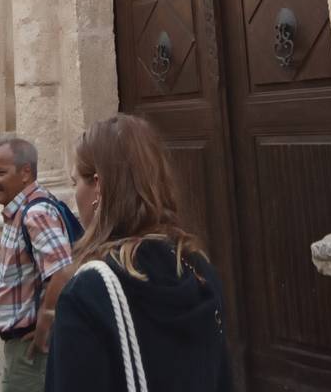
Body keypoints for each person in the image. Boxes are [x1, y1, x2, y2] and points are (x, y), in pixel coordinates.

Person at [45, 114, 233, 392]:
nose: (75, 195)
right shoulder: (198, 267)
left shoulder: (88, 293)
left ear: (97, 185)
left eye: (75, 183)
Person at [0, 137, 75, 392]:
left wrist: (44, 324)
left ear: (25, 172)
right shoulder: (20, 209)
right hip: (22, 346)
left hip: (30, 349)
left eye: (1, 172)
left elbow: (62, 270)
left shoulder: (35, 213)